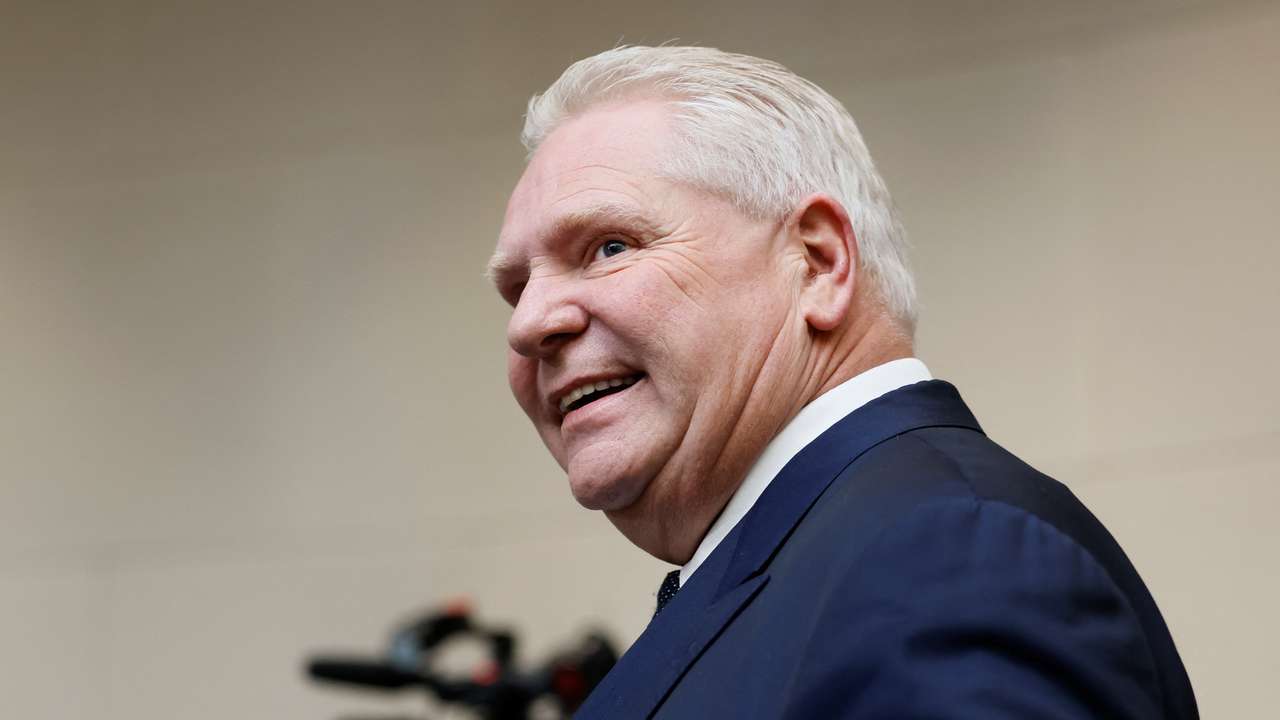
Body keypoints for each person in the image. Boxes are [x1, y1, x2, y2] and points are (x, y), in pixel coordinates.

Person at [488, 45, 1198, 719]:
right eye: (517, 289)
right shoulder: (835, 558)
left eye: (610, 247)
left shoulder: (946, 557)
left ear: (818, 262)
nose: (530, 325)